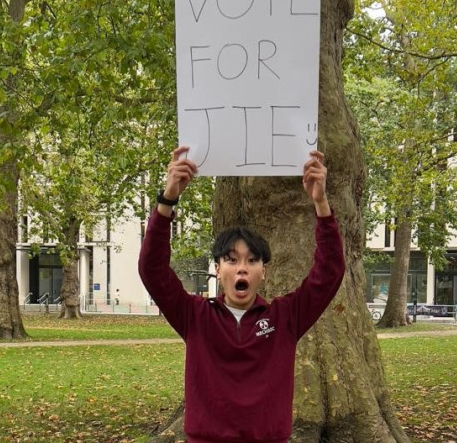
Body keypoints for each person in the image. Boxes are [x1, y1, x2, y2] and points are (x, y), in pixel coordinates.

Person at [138, 146, 345, 443]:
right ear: (218, 269)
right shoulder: (195, 316)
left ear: (264, 271)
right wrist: (167, 199)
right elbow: (152, 270)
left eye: (251, 260)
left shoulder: (285, 318)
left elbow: (329, 274)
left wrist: (321, 203)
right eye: (232, 260)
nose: (241, 269)